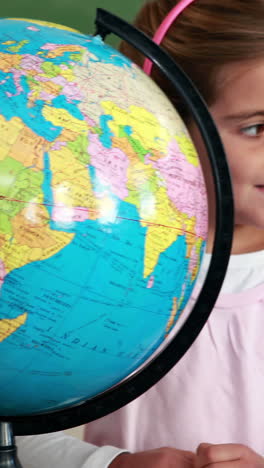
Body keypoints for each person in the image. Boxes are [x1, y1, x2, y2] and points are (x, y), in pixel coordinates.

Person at [17, 0, 264, 466]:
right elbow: (15, 427)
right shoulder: (89, 266)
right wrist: (110, 464)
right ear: (166, 122)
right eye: (257, 127)